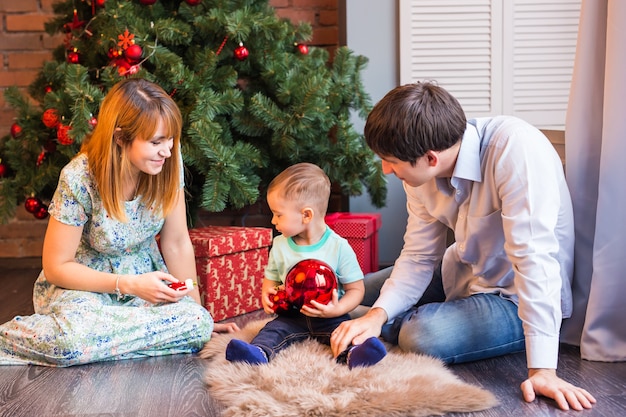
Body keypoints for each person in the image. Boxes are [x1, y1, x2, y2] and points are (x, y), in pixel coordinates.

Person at [330, 82, 597, 410]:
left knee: (420, 336)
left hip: (516, 297)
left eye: (390, 161)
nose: (385, 169)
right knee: (350, 289)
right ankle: (376, 321)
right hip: (461, 269)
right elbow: (417, 257)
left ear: (430, 158)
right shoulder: (421, 172)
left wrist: (543, 370)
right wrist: (376, 313)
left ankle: (393, 323)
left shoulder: (515, 150)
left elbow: (534, 262)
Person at [0, 78, 237, 367]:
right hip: (84, 289)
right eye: (156, 141)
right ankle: (18, 338)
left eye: (171, 138)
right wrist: (128, 285)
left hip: (147, 287)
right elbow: (56, 267)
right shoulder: (79, 177)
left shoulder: (167, 165)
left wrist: (199, 314)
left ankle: (100, 345)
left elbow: (176, 243)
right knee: (70, 342)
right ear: (121, 137)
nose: (168, 150)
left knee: (197, 323)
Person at [225, 162, 386, 369]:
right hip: (291, 316)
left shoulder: (338, 247)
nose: (273, 221)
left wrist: (337, 309)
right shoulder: (280, 245)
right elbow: (271, 278)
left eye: (278, 214)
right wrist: (268, 296)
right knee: (272, 331)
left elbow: (356, 289)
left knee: (343, 333)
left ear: (306, 215)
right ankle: (258, 352)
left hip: (329, 316)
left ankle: (356, 354)